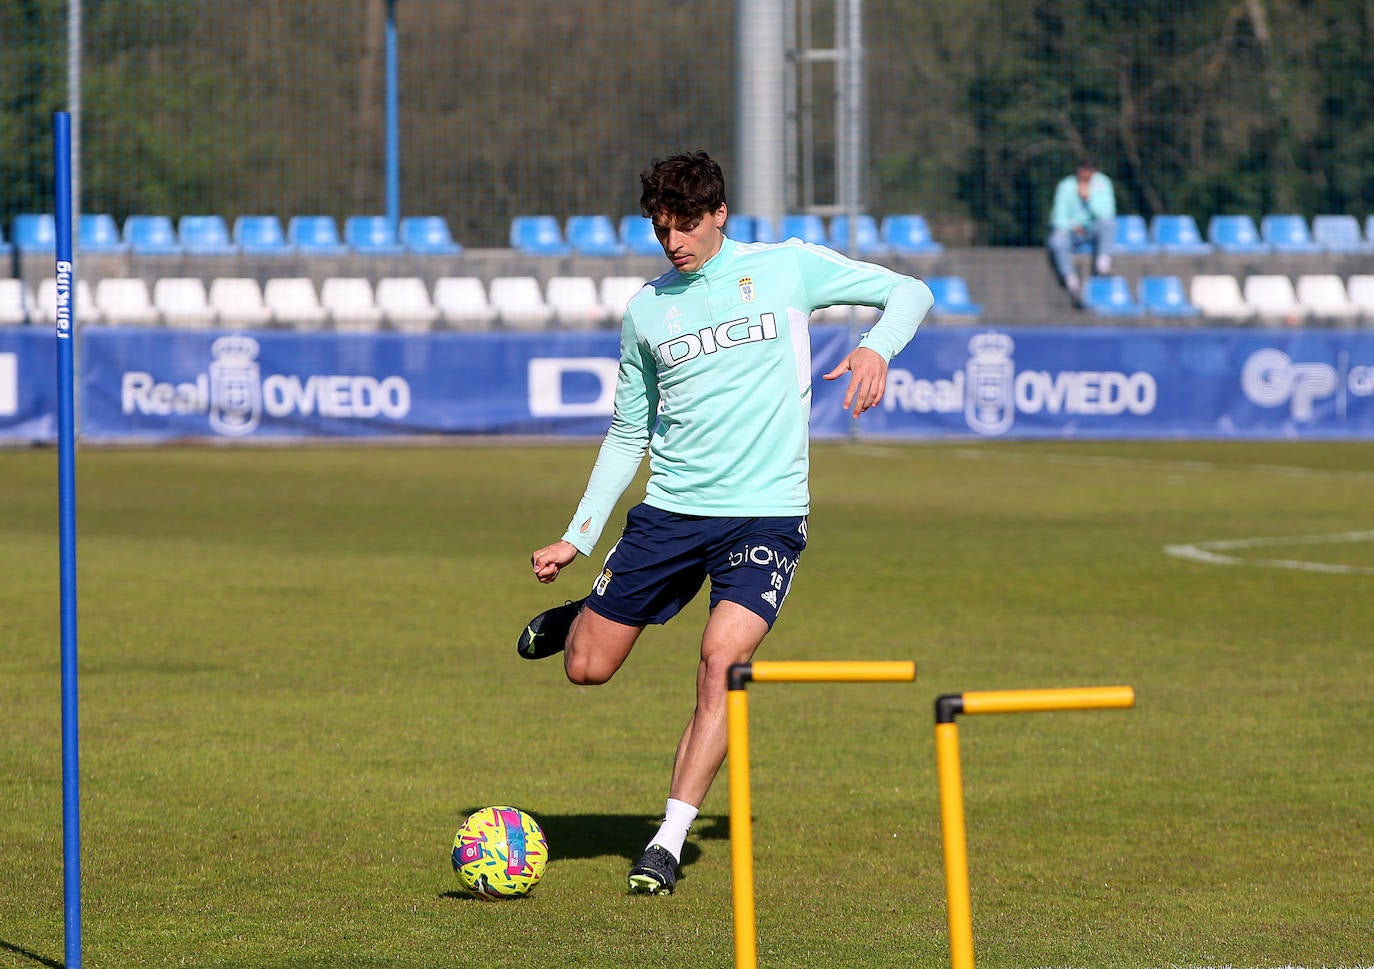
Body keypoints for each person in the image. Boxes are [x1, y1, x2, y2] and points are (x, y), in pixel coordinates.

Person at [516, 150, 933, 895]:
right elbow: (626, 432)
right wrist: (578, 535)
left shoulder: (788, 267)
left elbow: (910, 290)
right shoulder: (647, 309)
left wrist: (876, 346)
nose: (673, 242)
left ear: (720, 217)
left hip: (767, 515)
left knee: (722, 662)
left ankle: (667, 841)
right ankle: (587, 613)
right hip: (671, 513)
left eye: (685, 226)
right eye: (660, 228)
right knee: (587, 666)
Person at [1047, 159, 1117, 304]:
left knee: (1108, 224)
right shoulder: (1066, 186)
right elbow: (1058, 218)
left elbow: (1106, 213)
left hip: (1093, 229)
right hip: (1071, 231)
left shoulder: (1103, 183)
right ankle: (1071, 280)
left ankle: (1103, 265)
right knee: (1057, 239)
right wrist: (1073, 225)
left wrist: (1088, 198)